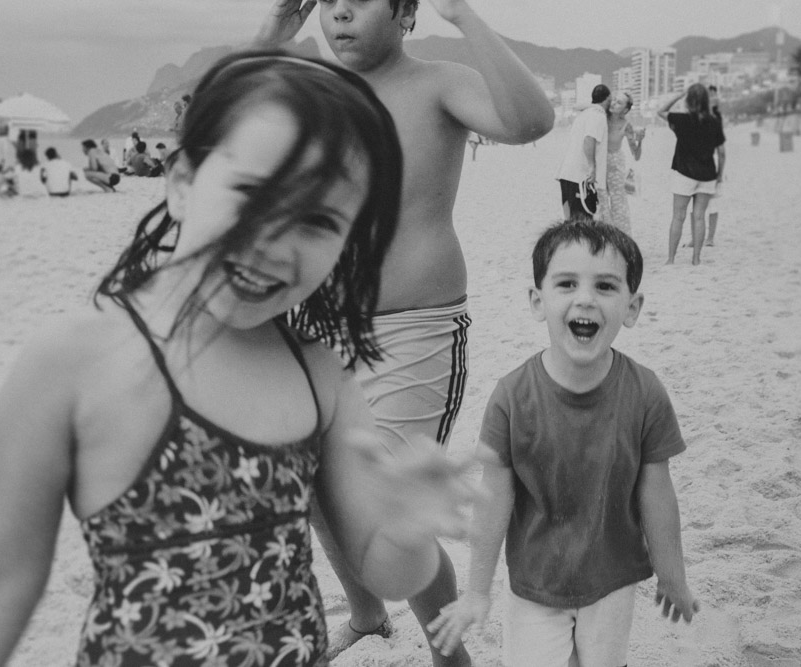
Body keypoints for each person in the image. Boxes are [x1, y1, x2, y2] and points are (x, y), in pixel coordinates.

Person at [0, 51, 475, 667]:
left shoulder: (318, 376)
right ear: (182, 182)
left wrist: (406, 530)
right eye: (252, 193)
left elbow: (384, 570)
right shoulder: (70, 364)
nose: (273, 240)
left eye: (318, 219)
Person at [253, 1, 554, 663]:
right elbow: (218, 132)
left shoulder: (437, 85)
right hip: (316, 327)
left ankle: (451, 655)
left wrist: (466, 17)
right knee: (316, 489)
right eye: (329, 3)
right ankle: (365, 612)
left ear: (406, 12)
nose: (340, 14)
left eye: (359, 1)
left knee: (389, 507)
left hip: (416, 331)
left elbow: (531, 119)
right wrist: (275, 32)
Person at [429, 220, 699, 666]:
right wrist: (477, 591)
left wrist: (673, 576)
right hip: (534, 582)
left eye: (606, 286)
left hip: (612, 578)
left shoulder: (645, 392)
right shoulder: (512, 397)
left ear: (632, 308)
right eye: (567, 283)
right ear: (539, 301)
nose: (586, 298)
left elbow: (657, 492)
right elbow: (494, 494)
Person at [658, 83, 725, 265]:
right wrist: (719, 174)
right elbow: (722, 152)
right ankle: (696, 258)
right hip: (707, 175)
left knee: (678, 216)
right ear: (705, 101)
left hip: (685, 173)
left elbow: (661, 111)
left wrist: (679, 95)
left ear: (688, 101)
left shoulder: (681, 120)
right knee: (699, 216)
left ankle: (671, 259)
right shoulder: (713, 122)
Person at [556, 84, 612, 223]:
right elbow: (589, 139)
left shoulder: (584, 114)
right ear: (607, 99)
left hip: (567, 174)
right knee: (582, 223)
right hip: (580, 177)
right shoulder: (598, 115)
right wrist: (592, 167)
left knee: (570, 222)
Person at [686, 85, 724, 247]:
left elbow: (719, 146)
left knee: (712, 204)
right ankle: (696, 238)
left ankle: (710, 238)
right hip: (698, 164)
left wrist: (720, 174)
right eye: (710, 96)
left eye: (714, 95)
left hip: (711, 163)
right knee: (695, 205)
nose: (712, 98)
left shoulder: (716, 118)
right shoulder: (696, 116)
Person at [603, 90, 644, 234]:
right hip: (599, 164)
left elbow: (636, 155)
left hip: (615, 166)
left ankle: (622, 239)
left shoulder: (626, 125)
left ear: (625, 110)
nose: (613, 103)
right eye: (614, 100)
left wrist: (640, 141)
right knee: (600, 204)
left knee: (619, 205)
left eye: (619, 102)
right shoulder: (600, 117)